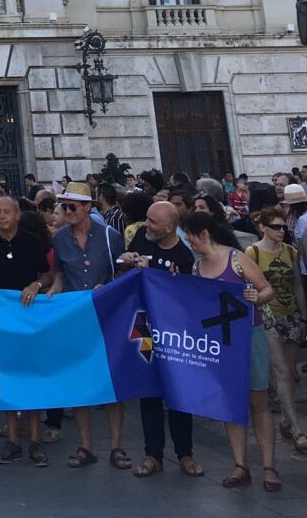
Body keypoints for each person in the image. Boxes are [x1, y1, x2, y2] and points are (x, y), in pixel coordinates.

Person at [182, 209, 278, 489]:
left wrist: (255, 297)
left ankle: (269, 466)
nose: (188, 241)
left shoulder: (237, 259)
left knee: (258, 403)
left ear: (204, 234)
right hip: (220, 342)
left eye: (190, 236)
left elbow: (266, 289)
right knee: (231, 403)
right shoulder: (196, 267)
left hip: (249, 335)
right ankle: (240, 465)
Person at [116, 201, 204, 477]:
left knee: (178, 393)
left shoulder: (184, 255)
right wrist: (128, 263)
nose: (146, 224)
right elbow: (125, 275)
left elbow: (188, 297)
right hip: (144, 327)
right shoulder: (143, 238)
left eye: (153, 221)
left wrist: (158, 275)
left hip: (175, 332)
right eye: (146, 219)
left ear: (169, 227)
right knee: (149, 393)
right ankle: (152, 454)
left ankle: (185, 454)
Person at [50, 182, 131, 472]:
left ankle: (117, 446)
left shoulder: (111, 237)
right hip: (75, 318)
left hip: (107, 317)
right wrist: (51, 292)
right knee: (79, 382)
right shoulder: (59, 239)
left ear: (87, 208)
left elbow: (124, 274)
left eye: (72, 206)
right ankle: (85, 446)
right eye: (63, 206)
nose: (66, 211)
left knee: (111, 383)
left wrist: (107, 287)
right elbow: (59, 275)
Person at [0, 196, 51, 465]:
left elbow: (46, 274)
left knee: (30, 377)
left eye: (8, 211)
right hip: (1, 321)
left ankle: (34, 440)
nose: (3, 216)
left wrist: (35, 286)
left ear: (18, 215)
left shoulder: (31, 241)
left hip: (29, 319)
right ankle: (13, 440)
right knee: (6, 377)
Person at [246, 206, 307, 454]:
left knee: (290, 373)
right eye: (275, 227)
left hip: (291, 315)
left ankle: (285, 420)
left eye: (283, 227)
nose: (281, 231)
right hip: (267, 316)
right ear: (263, 228)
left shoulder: (291, 252)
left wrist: (304, 317)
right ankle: (297, 429)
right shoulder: (253, 252)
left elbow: (297, 286)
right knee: (281, 371)